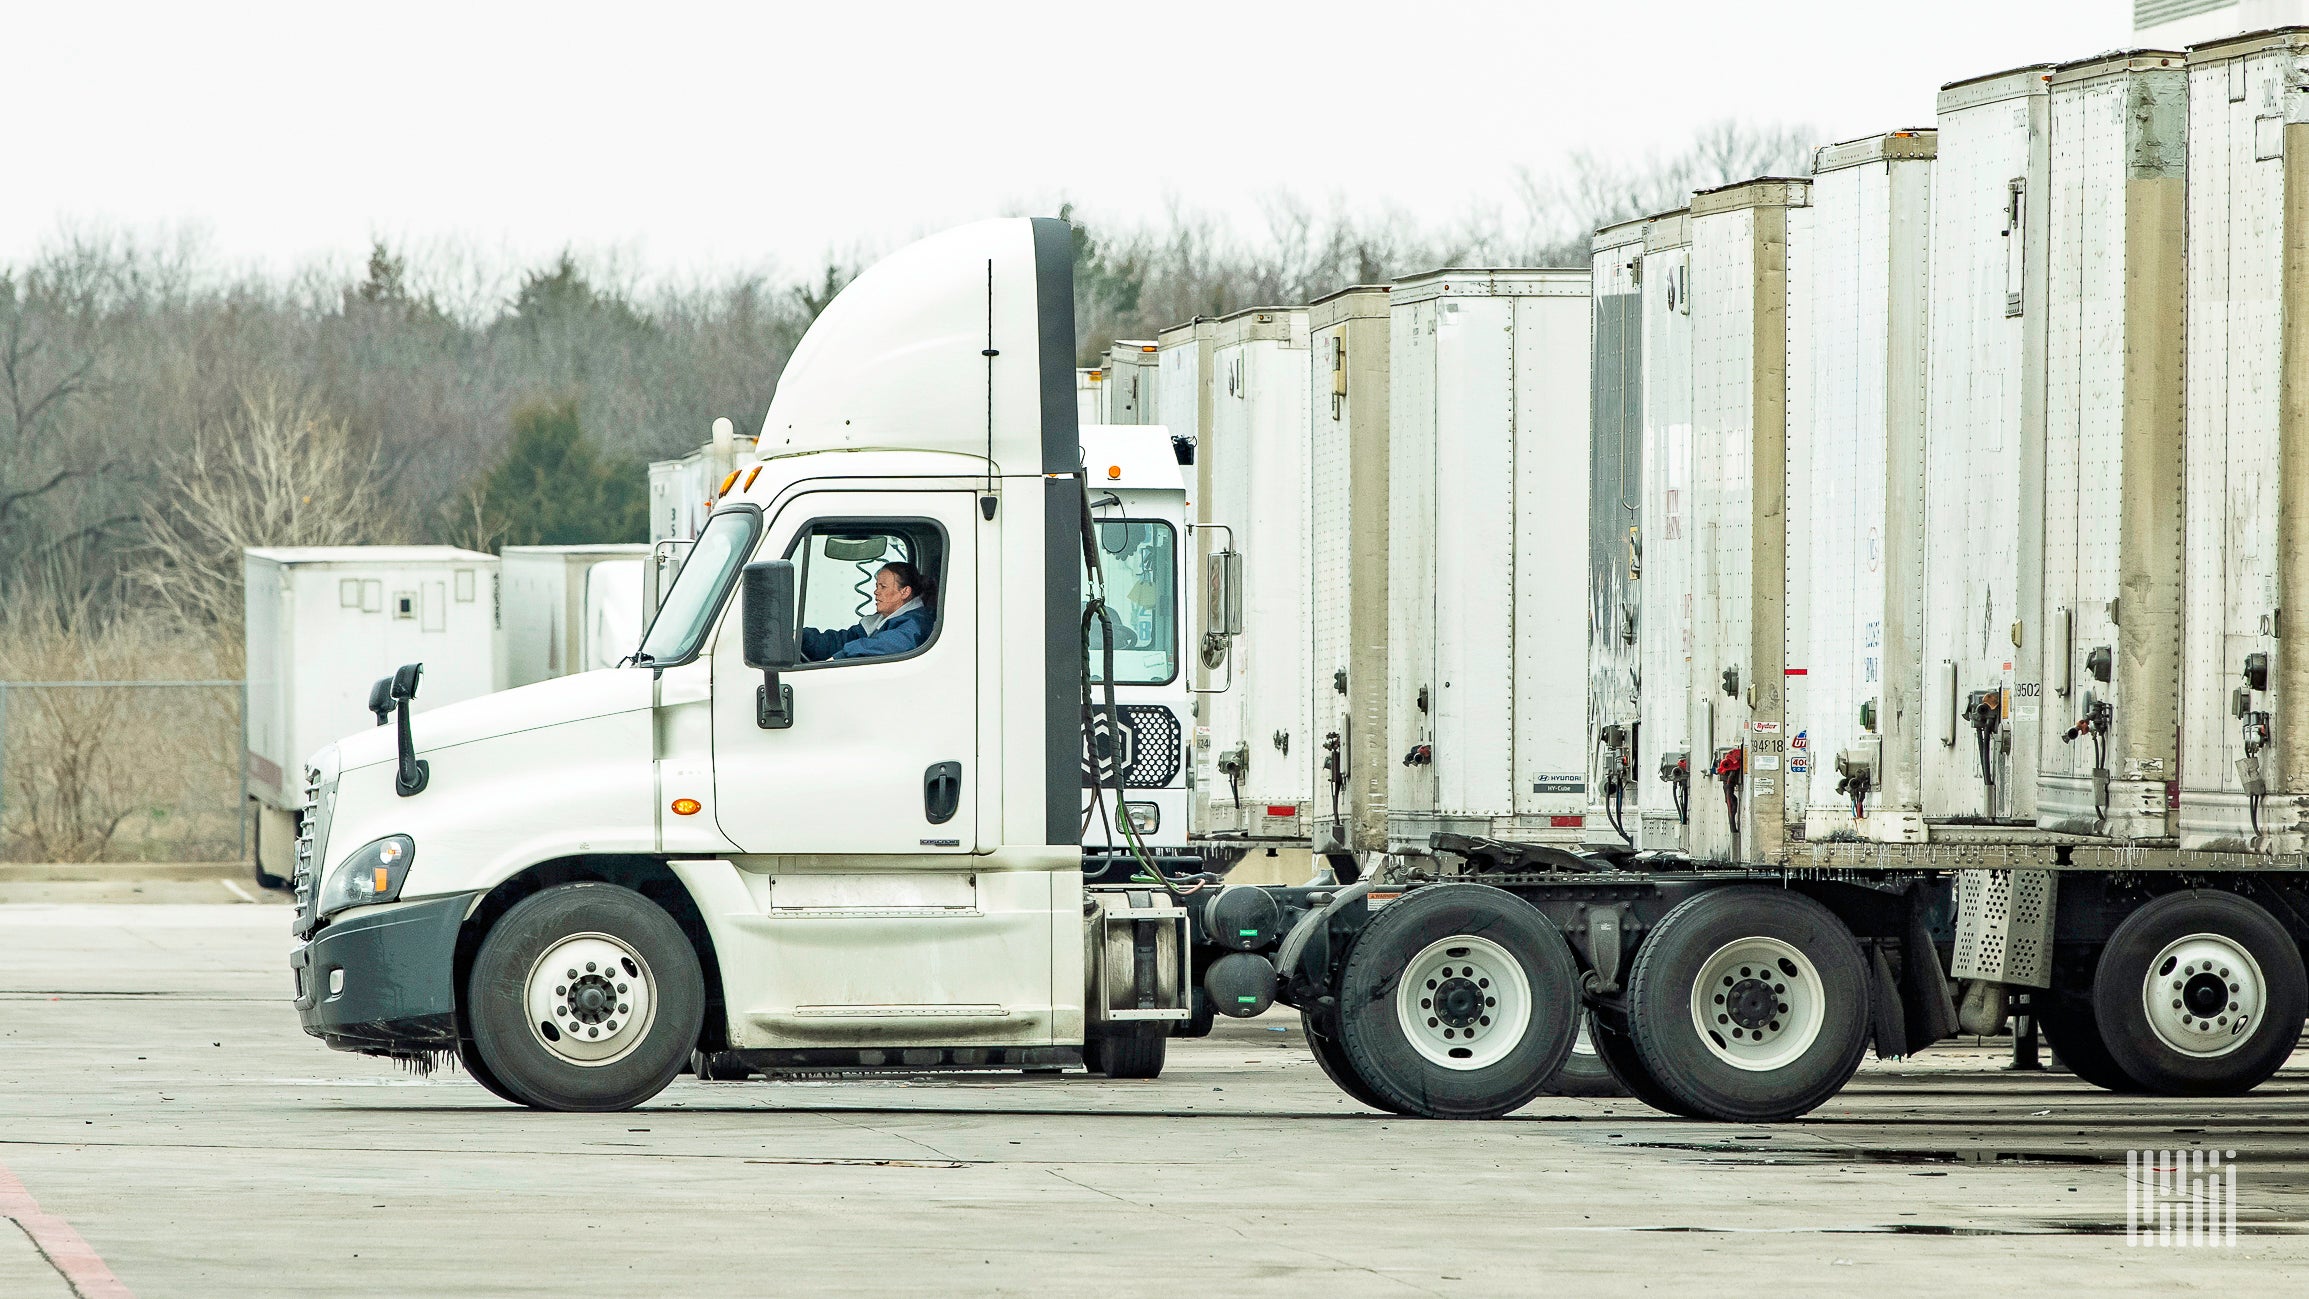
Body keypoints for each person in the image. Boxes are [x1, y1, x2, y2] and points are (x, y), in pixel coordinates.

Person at [799, 560, 935, 662]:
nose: (876, 592)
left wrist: (841, 657)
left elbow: (890, 644)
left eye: (883, 587)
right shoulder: (881, 619)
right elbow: (843, 641)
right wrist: (802, 638)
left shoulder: (917, 622)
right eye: (877, 586)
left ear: (904, 592)